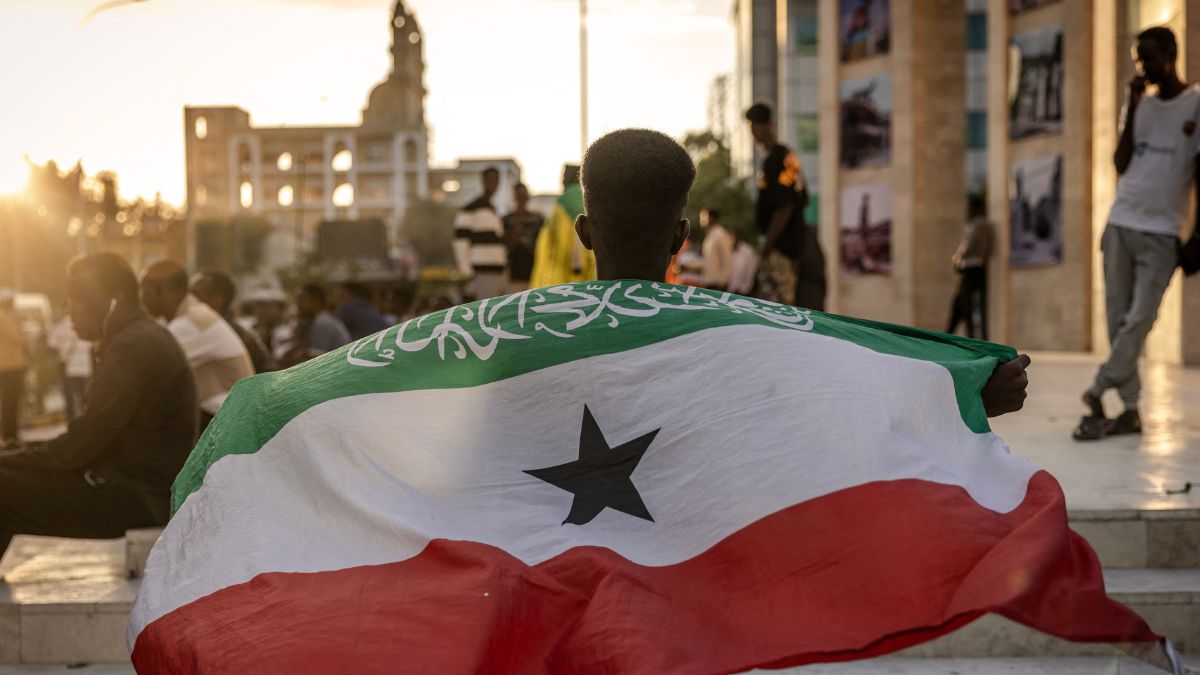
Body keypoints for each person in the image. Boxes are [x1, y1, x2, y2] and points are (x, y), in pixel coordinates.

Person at [573, 128, 1029, 415]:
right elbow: (845, 379)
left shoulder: (509, 339)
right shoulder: (740, 335)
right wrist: (964, 390)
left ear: (583, 232)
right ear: (681, 237)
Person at [0, 253, 196, 559]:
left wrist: (10, 455)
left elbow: (77, 448)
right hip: (134, 488)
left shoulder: (132, 346)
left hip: (135, 497)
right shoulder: (132, 337)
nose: (71, 310)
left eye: (81, 299)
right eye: (68, 300)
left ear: (116, 299)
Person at [1075, 27, 1200, 441]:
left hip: (1163, 231)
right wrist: (1129, 106)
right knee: (1117, 319)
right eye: (1137, 59)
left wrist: (1196, 235)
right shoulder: (1139, 104)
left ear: (1172, 53)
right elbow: (1121, 162)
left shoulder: (1196, 104)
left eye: (1148, 57)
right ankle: (1129, 409)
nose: (1143, 66)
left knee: (1139, 319)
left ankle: (1098, 385)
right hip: (1121, 222)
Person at [141, 261, 254, 430]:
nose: (141, 298)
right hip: (225, 419)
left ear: (161, 291)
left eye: (144, 291)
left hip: (228, 425)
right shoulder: (192, 316)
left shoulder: (191, 324)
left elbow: (143, 370)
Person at [745, 103, 827, 310]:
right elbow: (804, 198)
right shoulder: (789, 157)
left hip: (782, 248)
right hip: (795, 242)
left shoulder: (774, 160)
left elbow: (784, 207)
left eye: (755, 126)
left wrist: (768, 245)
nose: (754, 132)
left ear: (764, 126)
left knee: (777, 310)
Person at [191, 271, 275, 374]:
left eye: (195, 294)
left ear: (217, 301)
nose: (189, 300)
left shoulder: (232, 334)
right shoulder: (207, 328)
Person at [530, 165, 596, 287]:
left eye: (564, 176)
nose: (562, 181)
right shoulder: (586, 196)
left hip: (566, 262)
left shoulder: (566, 199)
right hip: (586, 262)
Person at [453, 167, 508, 301]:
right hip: (481, 273)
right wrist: (467, 271)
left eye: (497, 180)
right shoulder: (471, 209)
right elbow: (460, 241)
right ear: (483, 181)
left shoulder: (493, 210)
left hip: (498, 272)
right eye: (491, 180)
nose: (494, 184)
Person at [946, 196, 994, 340]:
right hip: (979, 267)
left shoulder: (977, 225)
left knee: (964, 303)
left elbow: (969, 245)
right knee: (970, 303)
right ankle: (964, 334)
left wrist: (958, 259)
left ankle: (959, 335)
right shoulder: (986, 226)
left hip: (971, 268)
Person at [275, 284, 352, 368]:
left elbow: (317, 360)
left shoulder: (323, 324)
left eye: (301, 300)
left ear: (315, 301)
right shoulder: (318, 322)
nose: (297, 305)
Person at [47, 315, 92, 423]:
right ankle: (87, 421)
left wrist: (63, 347)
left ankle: (73, 423)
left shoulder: (62, 324)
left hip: (70, 367)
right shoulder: (88, 322)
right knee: (85, 398)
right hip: (86, 367)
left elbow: (51, 342)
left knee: (70, 399)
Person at [502, 183, 545, 293]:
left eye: (523, 196)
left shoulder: (537, 220)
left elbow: (543, 245)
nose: (521, 199)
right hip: (514, 275)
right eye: (518, 196)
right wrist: (517, 224)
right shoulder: (506, 220)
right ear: (514, 197)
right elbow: (506, 247)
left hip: (535, 274)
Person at [0, 292, 24, 448]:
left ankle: (10, 434)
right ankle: (10, 435)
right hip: (9, 366)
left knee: (9, 402)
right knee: (10, 402)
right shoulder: (4, 317)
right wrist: (26, 336)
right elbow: (17, 337)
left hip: (8, 365)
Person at [700, 207, 734, 292]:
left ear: (711, 218)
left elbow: (727, 258)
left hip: (718, 283)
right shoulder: (709, 235)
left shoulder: (720, 234)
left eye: (703, 217)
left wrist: (723, 281)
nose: (701, 220)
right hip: (709, 282)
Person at [728, 229, 759, 296]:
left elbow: (751, 270)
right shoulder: (728, 249)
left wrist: (746, 288)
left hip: (742, 290)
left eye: (732, 237)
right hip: (729, 288)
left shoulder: (748, 251)